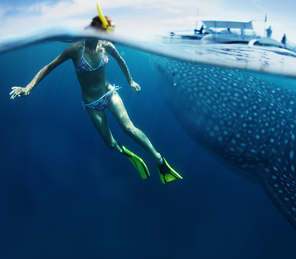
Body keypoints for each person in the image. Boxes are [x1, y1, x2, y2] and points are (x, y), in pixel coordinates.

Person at [9, 2, 182, 184]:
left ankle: (159, 160)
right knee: (110, 144)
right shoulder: (75, 50)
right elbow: (49, 67)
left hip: (109, 94)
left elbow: (121, 60)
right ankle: (127, 153)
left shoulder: (106, 45)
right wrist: (28, 87)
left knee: (129, 128)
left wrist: (130, 81)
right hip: (92, 104)